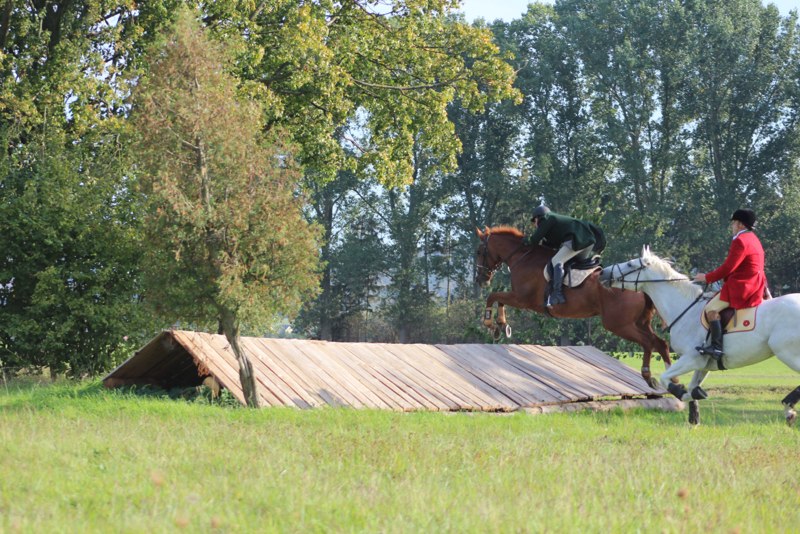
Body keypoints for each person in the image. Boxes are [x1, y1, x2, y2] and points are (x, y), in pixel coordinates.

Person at [693, 208, 767, 361]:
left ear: (740, 224)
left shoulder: (740, 240)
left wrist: (706, 277)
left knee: (711, 308)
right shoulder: (753, 238)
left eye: (733, 223)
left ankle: (716, 347)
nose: (732, 226)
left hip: (743, 286)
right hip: (755, 284)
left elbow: (728, 267)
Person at [523, 205, 606, 307]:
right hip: (588, 241)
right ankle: (577, 291)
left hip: (577, 239)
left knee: (556, 261)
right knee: (572, 264)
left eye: (534, 221)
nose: (535, 224)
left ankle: (557, 294)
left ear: (537, 218)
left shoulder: (546, 219)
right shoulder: (554, 222)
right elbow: (553, 245)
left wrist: (524, 240)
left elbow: (534, 240)